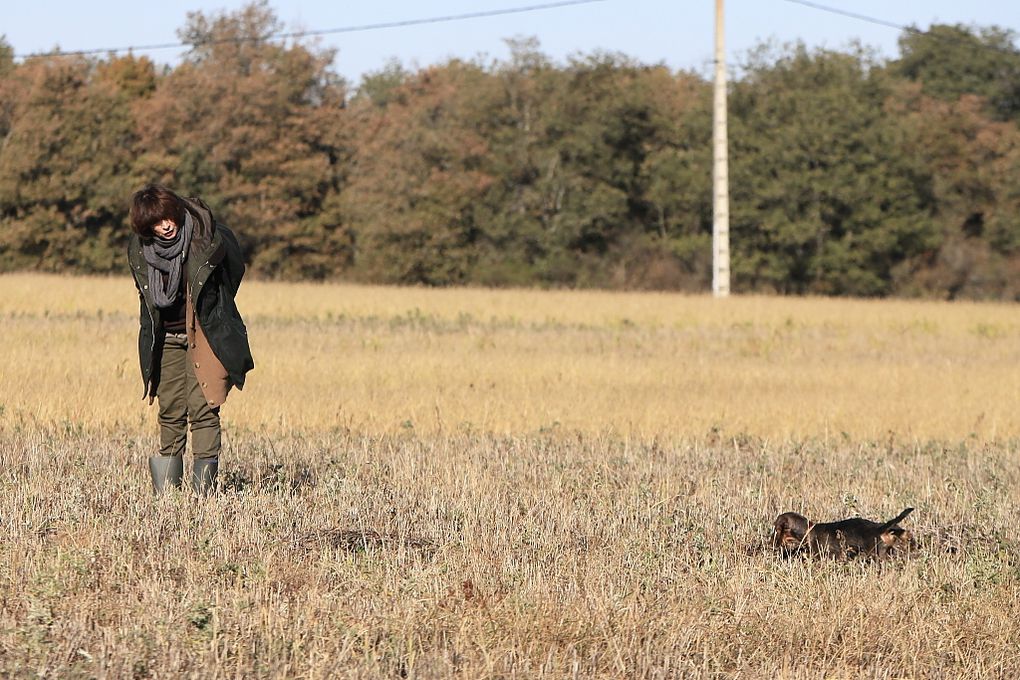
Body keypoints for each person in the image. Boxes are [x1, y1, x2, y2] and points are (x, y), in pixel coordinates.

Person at [127, 184, 254, 494]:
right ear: (146, 228)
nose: (165, 226)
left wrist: (217, 310)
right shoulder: (140, 251)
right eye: (155, 223)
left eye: (167, 217)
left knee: (205, 408)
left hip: (205, 334)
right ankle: (167, 496)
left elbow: (235, 270)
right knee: (169, 410)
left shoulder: (206, 237)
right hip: (166, 337)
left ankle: (203, 495)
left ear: (176, 212)